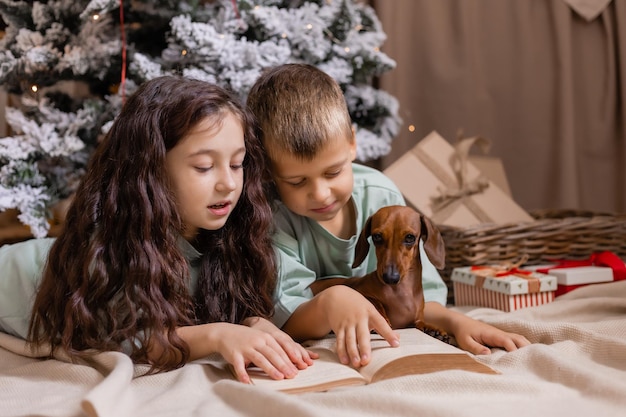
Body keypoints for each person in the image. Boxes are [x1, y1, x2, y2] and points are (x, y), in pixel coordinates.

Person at [0, 75, 315, 384]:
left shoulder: (241, 237)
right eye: (204, 167)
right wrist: (216, 334)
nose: (228, 184)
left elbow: (292, 299)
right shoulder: (111, 251)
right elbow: (127, 340)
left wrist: (253, 321)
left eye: (237, 164)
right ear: (151, 171)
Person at [246, 63, 530, 369]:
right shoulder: (273, 217)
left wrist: (455, 321)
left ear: (352, 144)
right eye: (297, 181)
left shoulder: (380, 195)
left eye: (334, 172)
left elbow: (416, 297)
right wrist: (331, 302)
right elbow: (285, 320)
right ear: (268, 171)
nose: (321, 194)